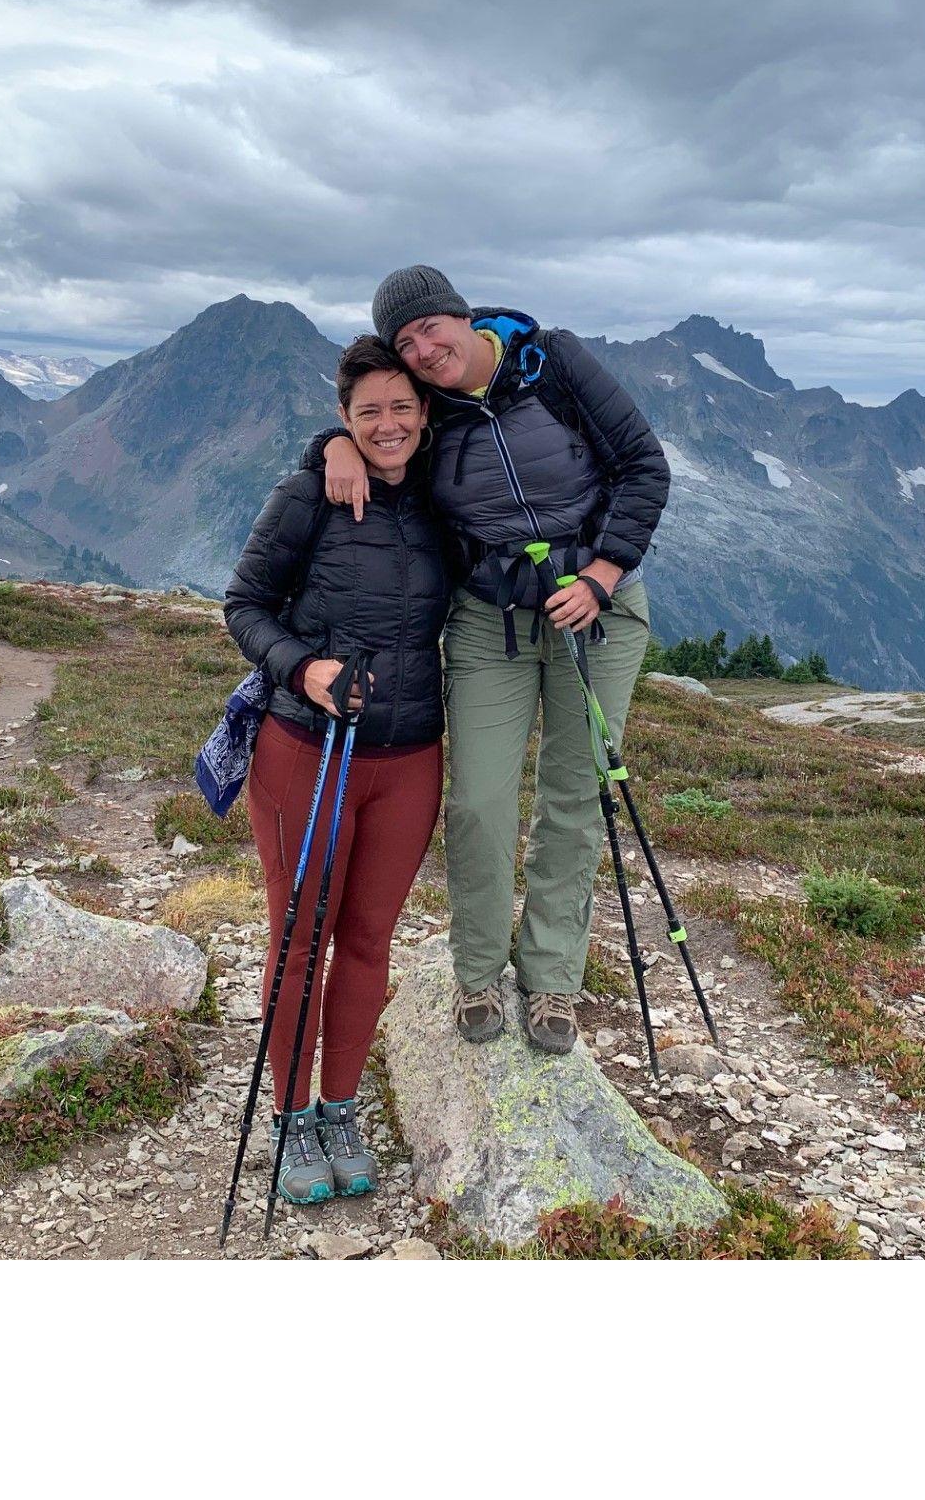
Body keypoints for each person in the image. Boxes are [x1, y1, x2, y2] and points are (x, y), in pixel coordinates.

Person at [316, 265, 668, 1056]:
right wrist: (336, 439)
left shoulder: (554, 361)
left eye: (429, 329)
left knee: (574, 797)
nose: (424, 350)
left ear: (461, 316)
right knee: (477, 800)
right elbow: (380, 427)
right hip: (488, 620)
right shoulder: (426, 405)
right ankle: (477, 970)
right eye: (406, 344)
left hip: (597, 611)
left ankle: (551, 982)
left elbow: (644, 466)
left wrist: (604, 576)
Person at [223, 335, 448, 1208]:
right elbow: (242, 604)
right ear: (344, 416)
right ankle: (287, 1118)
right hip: (305, 751)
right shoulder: (308, 493)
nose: (387, 426)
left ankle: (339, 1109)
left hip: (410, 755)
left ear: (425, 416)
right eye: (367, 414)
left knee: (365, 942)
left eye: (402, 408)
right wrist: (305, 669)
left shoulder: (439, 498)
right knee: (299, 941)